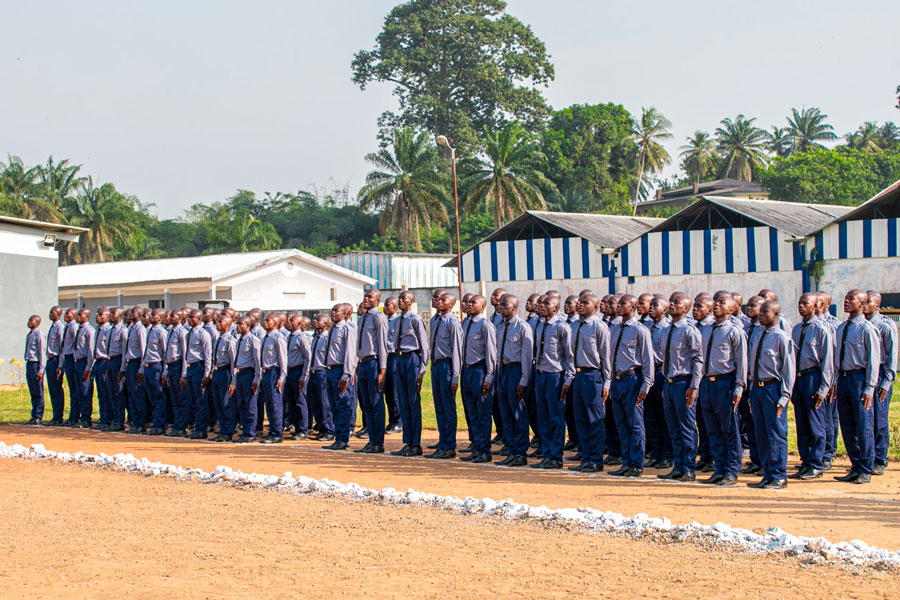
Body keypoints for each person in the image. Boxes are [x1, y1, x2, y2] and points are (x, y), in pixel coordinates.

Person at [698, 294, 747, 486]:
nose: (717, 305)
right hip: (707, 382)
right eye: (715, 303)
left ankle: (732, 470)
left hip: (725, 382)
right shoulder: (707, 330)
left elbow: (742, 362)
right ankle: (719, 468)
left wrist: (739, 387)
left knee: (728, 428)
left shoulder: (735, 332)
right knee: (713, 428)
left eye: (722, 303)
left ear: (731, 309)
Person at [746, 300, 796, 489]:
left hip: (772, 389)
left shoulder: (782, 338)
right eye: (761, 311)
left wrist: (784, 397)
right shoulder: (758, 335)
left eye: (765, 311)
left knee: (775, 433)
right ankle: (768, 473)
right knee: (762, 433)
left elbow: (788, 371)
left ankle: (779, 475)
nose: (760, 314)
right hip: (757, 389)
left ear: (775, 315)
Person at [833, 290, 881, 484]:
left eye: (851, 299)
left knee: (863, 425)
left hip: (859, 379)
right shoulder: (841, 327)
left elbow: (873, 361)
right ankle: (855, 465)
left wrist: (870, 388)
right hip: (843, 379)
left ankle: (866, 468)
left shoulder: (867, 329)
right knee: (847, 425)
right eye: (845, 299)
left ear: (862, 304)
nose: (846, 302)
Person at [657, 293, 703, 482]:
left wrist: (693, 386)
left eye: (677, 303)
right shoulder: (667, 330)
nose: (672, 305)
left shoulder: (689, 330)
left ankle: (689, 468)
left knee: (686, 427)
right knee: (673, 427)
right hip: (669, 383)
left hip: (684, 383)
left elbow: (698, 359)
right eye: (671, 302)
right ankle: (679, 465)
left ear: (685, 309)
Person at [607, 295, 654, 477]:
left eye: (623, 304)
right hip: (617, 381)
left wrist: (646, 385)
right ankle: (626, 461)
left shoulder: (639, 330)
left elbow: (647, 359)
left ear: (633, 307)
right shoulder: (615, 329)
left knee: (634, 423)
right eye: (618, 304)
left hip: (632, 379)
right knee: (621, 423)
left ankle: (636, 463)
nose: (619, 307)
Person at [788, 293, 834, 480]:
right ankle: (805, 461)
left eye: (805, 304)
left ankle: (816, 463)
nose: (801, 306)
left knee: (815, 422)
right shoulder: (797, 329)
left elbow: (828, 361)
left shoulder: (822, 330)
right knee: (802, 423)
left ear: (815, 307)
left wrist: (824, 387)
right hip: (798, 379)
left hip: (813, 377)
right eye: (799, 303)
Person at [531, 294, 575, 469]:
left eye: (546, 304)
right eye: (540, 304)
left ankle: (556, 456)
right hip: (541, 375)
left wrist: (568, 379)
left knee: (556, 417)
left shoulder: (562, 327)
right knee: (543, 417)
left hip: (555, 376)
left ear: (556, 308)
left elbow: (569, 355)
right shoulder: (540, 326)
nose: (541, 306)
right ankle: (546, 453)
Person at [569, 293, 611, 473]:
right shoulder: (575, 325)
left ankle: (595, 459)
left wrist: (607, 382)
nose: (580, 305)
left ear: (595, 307)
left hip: (593, 375)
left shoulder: (599, 327)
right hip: (578, 375)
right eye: (579, 302)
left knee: (595, 419)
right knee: (580, 418)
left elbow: (606, 357)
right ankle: (585, 457)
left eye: (585, 303)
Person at [495, 294, 534, 467]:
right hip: (503, 370)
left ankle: (520, 452)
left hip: (516, 370)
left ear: (514, 307)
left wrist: (524, 379)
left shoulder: (522, 327)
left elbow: (527, 356)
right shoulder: (500, 326)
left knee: (518, 412)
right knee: (506, 413)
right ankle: (511, 449)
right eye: (500, 304)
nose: (501, 307)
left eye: (505, 304)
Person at [390, 291, 429, 456]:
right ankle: (408, 441)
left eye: (404, 299)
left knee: (413, 402)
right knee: (403, 402)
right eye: (399, 298)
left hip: (412, 359)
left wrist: (422, 369)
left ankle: (416, 443)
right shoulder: (397, 320)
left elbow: (424, 346)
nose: (400, 301)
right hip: (399, 360)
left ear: (411, 302)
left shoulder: (415, 320)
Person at [458, 294, 497, 464]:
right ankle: (475, 446)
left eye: (474, 303)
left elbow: (491, 353)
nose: (469, 305)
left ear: (482, 307)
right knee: (471, 411)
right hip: (466, 370)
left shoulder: (485, 325)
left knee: (483, 412)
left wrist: (489, 376)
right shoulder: (465, 323)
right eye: (468, 302)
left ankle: (484, 450)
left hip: (480, 370)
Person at [864, 291, 898, 476]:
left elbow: (892, 355)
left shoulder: (885, 325)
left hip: (880, 374)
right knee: (865, 420)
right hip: (864, 375)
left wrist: (886, 382)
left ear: (877, 305)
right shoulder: (859, 325)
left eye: (868, 302)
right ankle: (866, 457)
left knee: (879, 420)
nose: (864, 305)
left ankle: (880, 459)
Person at [428, 291, 463, 459]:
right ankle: (442, 443)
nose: (439, 301)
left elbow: (457, 350)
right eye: (438, 299)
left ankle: (450, 445)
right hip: (435, 365)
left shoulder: (453, 323)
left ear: (451, 305)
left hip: (447, 366)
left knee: (448, 407)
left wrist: (455, 376)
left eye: (443, 300)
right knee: (439, 407)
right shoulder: (435, 320)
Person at [355, 289, 389, 454]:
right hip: (362, 363)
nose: (366, 299)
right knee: (366, 404)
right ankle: (371, 439)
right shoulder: (362, 318)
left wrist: (382, 369)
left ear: (377, 300)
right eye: (365, 296)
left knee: (376, 403)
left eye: (370, 297)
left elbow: (383, 344)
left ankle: (378, 442)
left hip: (374, 362)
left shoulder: (379, 317)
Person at [645, 296, 673, 469]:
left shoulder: (668, 329)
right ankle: (655, 453)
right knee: (651, 416)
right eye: (651, 305)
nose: (651, 308)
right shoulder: (646, 327)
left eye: (656, 305)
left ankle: (667, 455)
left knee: (664, 417)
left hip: (662, 372)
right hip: (648, 373)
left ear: (665, 310)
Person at [738, 295, 764, 475]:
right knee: (749, 420)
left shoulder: (766, 331)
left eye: (754, 305)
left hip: (763, 382)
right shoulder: (746, 328)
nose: (749, 308)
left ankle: (767, 462)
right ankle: (756, 459)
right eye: (749, 305)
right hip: (747, 380)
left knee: (764, 424)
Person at [692, 294, 715, 472]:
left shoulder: (711, 328)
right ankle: (705, 454)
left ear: (710, 309)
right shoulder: (694, 327)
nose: (695, 310)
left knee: (713, 422)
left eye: (700, 307)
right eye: (694, 306)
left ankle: (714, 458)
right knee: (700, 419)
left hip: (711, 379)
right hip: (696, 378)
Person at [181, 309, 212, 439]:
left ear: (199, 319)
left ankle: (201, 429)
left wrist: (206, 374)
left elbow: (207, 355)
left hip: (199, 367)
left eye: (192, 317)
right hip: (190, 367)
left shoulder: (203, 334)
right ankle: (196, 426)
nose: (189, 319)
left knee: (201, 400)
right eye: (189, 317)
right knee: (192, 399)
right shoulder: (188, 334)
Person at [137, 309, 168, 435]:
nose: (150, 316)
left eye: (153, 315)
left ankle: (160, 424)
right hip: (148, 366)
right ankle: (156, 421)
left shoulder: (162, 332)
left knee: (159, 396)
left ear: (160, 318)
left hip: (156, 366)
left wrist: (165, 371)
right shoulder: (149, 331)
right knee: (151, 397)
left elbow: (166, 353)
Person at [258, 313, 288, 444]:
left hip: (274, 372)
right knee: (269, 404)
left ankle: (277, 433)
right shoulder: (266, 337)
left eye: (268, 321)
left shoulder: (278, 337)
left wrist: (281, 377)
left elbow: (283, 359)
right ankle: (272, 430)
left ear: (275, 323)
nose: (265, 323)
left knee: (275, 404)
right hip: (266, 372)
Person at [233, 316, 262, 443]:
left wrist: (256, 378)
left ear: (248, 325)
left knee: (250, 404)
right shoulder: (239, 340)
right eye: (237, 323)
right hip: (240, 373)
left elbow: (258, 361)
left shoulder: (253, 340)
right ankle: (245, 431)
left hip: (249, 373)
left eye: (241, 324)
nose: (237, 326)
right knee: (242, 404)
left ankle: (251, 432)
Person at [306, 314, 334, 442]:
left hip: (322, 371)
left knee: (324, 402)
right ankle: (321, 428)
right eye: (315, 319)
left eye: (318, 320)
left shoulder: (327, 338)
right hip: (313, 372)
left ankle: (329, 430)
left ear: (326, 323)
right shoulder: (315, 338)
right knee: (315, 402)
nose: (314, 321)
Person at [210, 314, 238, 442]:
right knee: (218, 402)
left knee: (226, 402)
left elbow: (234, 362)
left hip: (226, 371)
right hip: (217, 371)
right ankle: (222, 430)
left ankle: (228, 431)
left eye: (220, 322)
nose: (217, 324)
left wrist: (233, 381)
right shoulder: (218, 339)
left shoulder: (230, 340)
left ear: (227, 324)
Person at [285, 314, 312, 441]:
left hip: (298, 370)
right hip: (289, 372)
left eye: (292, 320)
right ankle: (296, 427)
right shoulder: (288, 337)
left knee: (300, 401)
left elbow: (308, 357)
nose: (288, 322)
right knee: (291, 401)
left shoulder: (301, 337)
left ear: (300, 324)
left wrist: (304, 375)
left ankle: (303, 429)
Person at [162, 310, 189, 437]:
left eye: (174, 316)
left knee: (181, 398)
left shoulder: (182, 332)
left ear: (181, 318)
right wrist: (166, 370)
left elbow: (184, 354)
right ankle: (176, 424)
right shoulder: (170, 332)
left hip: (178, 365)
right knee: (174, 398)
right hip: (171, 366)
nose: (171, 318)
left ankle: (181, 426)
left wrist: (184, 374)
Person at [488, 288, 507, 445]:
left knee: (505, 402)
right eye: (493, 295)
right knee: (495, 402)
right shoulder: (492, 318)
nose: (493, 298)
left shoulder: (506, 319)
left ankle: (507, 434)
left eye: (497, 296)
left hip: (504, 363)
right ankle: (500, 432)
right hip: (493, 362)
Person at [72, 308, 96, 428]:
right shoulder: (79, 329)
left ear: (86, 316)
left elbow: (91, 350)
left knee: (86, 391)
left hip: (85, 362)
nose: (77, 316)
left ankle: (86, 418)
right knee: (79, 391)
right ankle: (81, 416)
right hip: (77, 362)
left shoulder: (89, 330)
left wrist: (88, 367)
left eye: (80, 315)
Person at [382, 296, 402, 434]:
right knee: (387, 391)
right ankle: (391, 420)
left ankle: (398, 422)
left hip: (394, 356)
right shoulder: (383, 321)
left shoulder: (397, 321)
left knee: (395, 391)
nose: (384, 307)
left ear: (395, 307)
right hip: (385, 357)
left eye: (387, 305)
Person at [107, 308, 128, 432]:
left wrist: (122, 368)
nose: (111, 315)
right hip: (110, 361)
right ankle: (114, 419)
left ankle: (120, 421)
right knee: (111, 393)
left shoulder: (123, 331)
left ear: (120, 316)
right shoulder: (110, 330)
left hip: (118, 361)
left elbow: (125, 351)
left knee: (118, 393)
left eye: (113, 314)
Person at [24, 314, 46, 425]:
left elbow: (42, 353)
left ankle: (38, 415)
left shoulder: (39, 334)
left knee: (38, 391)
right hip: (29, 363)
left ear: (36, 322)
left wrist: (41, 370)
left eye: (31, 320)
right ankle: (34, 415)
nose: (28, 322)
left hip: (36, 364)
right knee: (32, 390)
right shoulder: (30, 334)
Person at [45, 307, 65, 426]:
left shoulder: (60, 328)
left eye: (51, 312)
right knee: (52, 389)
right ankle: (55, 415)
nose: (50, 314)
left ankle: (59, 416)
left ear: (57, 314)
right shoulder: (52, 327)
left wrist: (60, 365)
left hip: (57, 360)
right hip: (50, 360)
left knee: (57, 389)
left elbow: (62, 348)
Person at [92, 308, 112, 430]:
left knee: (107, 392)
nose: (97, 316)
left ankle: (108, 418)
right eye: (97, 314)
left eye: (100, 314)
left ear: (107, 317)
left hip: (105, 361)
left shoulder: (108, 330)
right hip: (97, 362)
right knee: (100, 394)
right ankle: (103, 417)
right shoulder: (97, 330)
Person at [60, 308, 78, 426]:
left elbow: (76, 344)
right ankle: (72, 415)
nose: (65, 315)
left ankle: (75, 415)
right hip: (66, 358)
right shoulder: (67, 327)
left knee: (75, 389)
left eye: (68, 313)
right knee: (71, 389)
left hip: (72, 358)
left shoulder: (74, 327)